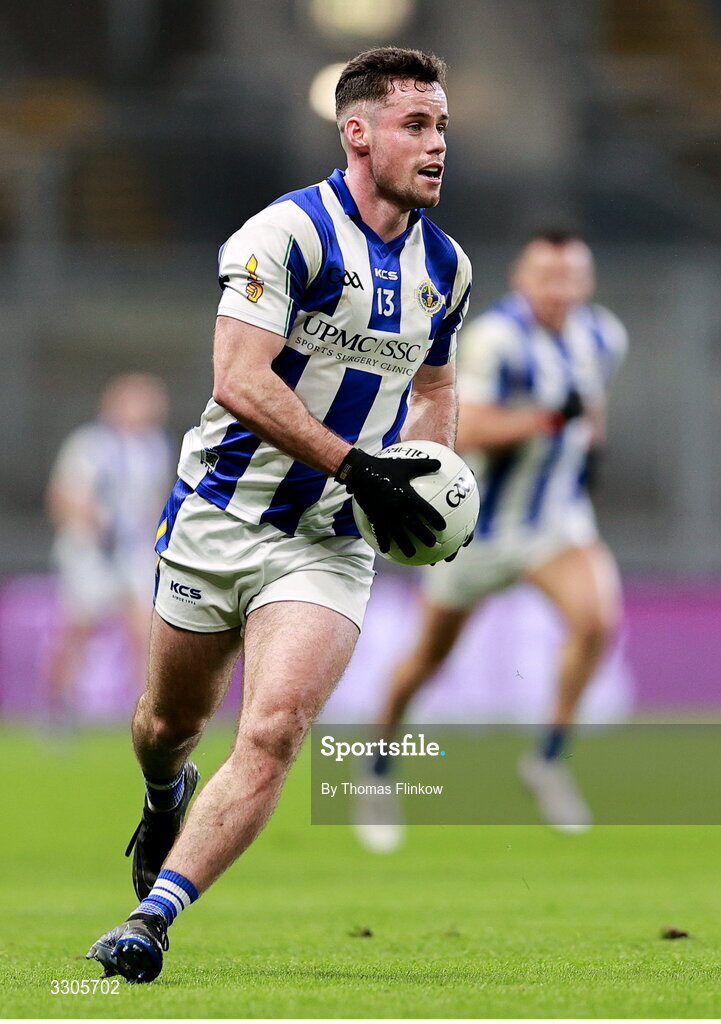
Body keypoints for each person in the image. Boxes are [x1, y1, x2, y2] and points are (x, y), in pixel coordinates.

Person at [86, 46, 471, 984]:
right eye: (415, 125)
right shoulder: (283, 235)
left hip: (332, 541)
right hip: (221, 512)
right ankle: (163, 791)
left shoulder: (447, 269)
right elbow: (238, 379)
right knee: (163, 723)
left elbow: (435, 381)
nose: (435, 145)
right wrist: (356, 462)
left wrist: (427, 477)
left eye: (443, 127)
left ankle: (152, 916)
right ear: (357, 131)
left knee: (274, 728)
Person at [354, 229, 627, 852]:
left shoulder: (602, 334)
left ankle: (548, 759)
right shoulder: (496, 340)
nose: (559, 290)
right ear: (520, 280)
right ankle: (375, 770)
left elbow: (593, 403)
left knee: (597, 619)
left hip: (553, 520)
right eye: (546, 277)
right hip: (475, 528)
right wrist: (548, 418)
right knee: (426, 661)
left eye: (570, 278)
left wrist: (590, 448)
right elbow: (465, 426)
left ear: (585, 283)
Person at [46, 373, 173, 725]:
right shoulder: (89, 444)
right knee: (78, 629)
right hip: (91, 551)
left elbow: (156, 500)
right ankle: (58, 708)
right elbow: (63, 497)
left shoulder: (154, 446)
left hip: (132, 552)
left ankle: (147, 713)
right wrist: (92, 523)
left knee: (144, 629)